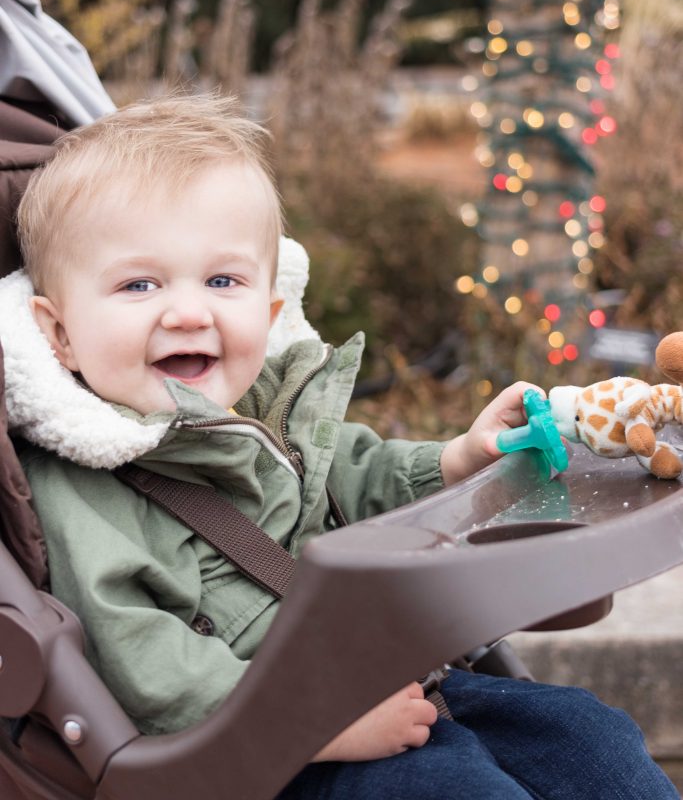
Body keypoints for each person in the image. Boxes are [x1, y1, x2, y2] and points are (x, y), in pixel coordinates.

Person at [6, 93, 675, 800]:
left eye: (223, 281)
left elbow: (359, 471)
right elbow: (143, 664)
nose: (188, 311)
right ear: (59, 333)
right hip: (268, 755)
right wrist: (317, 727)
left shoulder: (265, 411)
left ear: (267, 313)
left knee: (585, 736)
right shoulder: (82, 481)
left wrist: (457, 459)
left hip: (392, 685)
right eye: (139, 284)